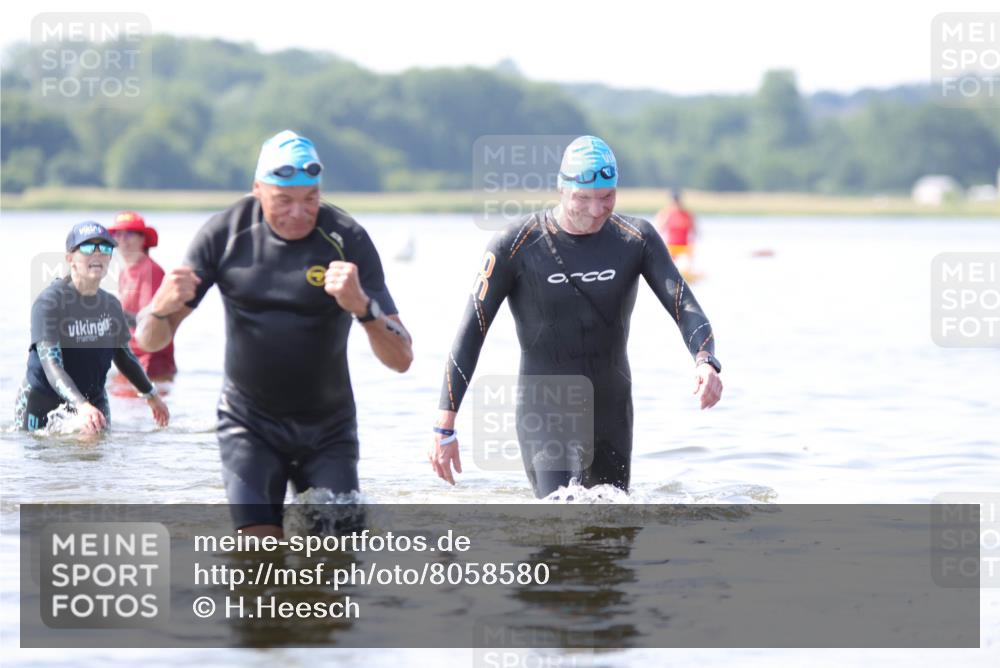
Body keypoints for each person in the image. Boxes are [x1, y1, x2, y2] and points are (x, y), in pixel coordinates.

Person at [135, 130, 413, 536]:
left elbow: (402, 359)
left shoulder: (346, 238)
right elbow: (149, 341)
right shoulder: (224, 234)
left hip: (328, 429)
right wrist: (159, 308)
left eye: (311, 198)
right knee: (257, 555)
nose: (299, 212)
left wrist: (363, 309)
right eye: (284, 200)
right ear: (258, 190)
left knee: (335, 558)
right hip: (249, 424)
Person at [429, 136, 722, 497]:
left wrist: (705, 361)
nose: (597, 210)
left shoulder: (636, 238)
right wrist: (446, 423)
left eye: (607, 197)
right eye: (583, 198)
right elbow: (472, 329)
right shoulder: (516, 244)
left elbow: (684, 304)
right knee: (561, 516)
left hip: (611, 407)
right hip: (545, 408)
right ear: (561, 189)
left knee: (611, 531)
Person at [14, 222, 170, 434]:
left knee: (97, 455)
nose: (97, 254)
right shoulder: (49, 303)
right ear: (70, 259)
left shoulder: (111, 305)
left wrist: (151, 395)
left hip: (93, 400)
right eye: (88, 248)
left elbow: (123, 356)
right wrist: (81, 406)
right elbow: (52, 365)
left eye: (105, 249)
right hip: (43, 403)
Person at [108, 211, 177, 382]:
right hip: (129, 358)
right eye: (118, 234)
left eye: (130, 233)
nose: (123, 240)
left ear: (143, 239)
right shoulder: (124, 272)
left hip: (151, 361)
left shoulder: (150, 270)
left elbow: (149, 321)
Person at [654, 189, 697, 264]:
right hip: (671, 246)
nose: (676, 203)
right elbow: (659, 230)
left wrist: (692, 245)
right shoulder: (665, 213)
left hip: (684, 246)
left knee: (690, 254)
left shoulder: (687, 214)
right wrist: (666, 219)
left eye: (678, 201)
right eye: (675, 201)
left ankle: (688, 269)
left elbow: (695, 231)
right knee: (669, 259)